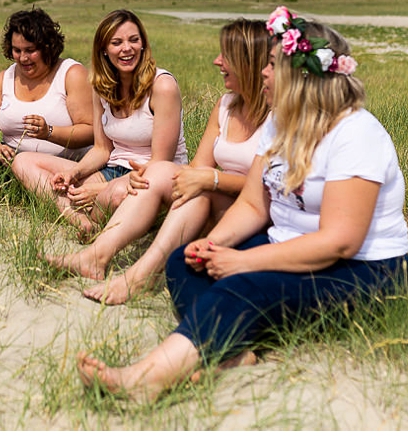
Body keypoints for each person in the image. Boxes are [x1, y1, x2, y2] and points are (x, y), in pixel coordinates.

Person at [76, 7, 408, 401]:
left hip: (368, 271)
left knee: (242, 284)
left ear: (300, 75)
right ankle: (231, 355)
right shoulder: (280, 123)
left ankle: (146, 379)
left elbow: (341, 241)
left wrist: (242, 262)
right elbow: (254, 205)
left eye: (272, 65)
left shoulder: (355, 132)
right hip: (285, 243)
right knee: (185, 263)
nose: (264, 73)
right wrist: (214, 245)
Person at [49, 19, 271, 304]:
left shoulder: (278, 116)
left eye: (225, 55)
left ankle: (141, 275)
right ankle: (96, 256)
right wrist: (161, 175)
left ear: (248, 61)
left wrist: (211, 179)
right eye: (116, 43)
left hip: (255, 208)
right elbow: (197, 168)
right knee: (161, 172)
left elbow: (266, 187)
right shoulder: (226, 105)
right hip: (222, 200)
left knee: (191, 185)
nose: (217, 61)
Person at [20, 9, 188, 237]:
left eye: (133, 40)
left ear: (143, 45)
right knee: (24, 162)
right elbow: (102, 149)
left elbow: (160, 163)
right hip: (113, 171)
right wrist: (75, 174)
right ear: (105, 51)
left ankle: (97, 214)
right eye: (116, 42)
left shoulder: (162, 87)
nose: (126, 48)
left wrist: (100, 189)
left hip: (153, 178)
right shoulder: (102, 87)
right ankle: (78, 219)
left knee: (116, 194)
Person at [0, 7, 94, 178]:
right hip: (13, 160)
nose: (23, 58)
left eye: (30, 50)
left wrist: (49, 132)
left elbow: (91, 131)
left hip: (64, 163)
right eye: (17, 50)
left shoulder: (71, 74)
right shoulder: (4, 79)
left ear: (48, 47)